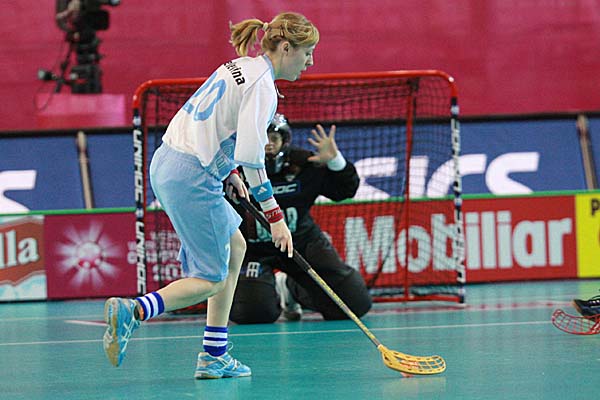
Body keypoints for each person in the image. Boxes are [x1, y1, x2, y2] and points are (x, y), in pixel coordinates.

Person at [102, 12, 320, 379]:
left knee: (235, 247)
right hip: (191, 176)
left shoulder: (242, 66)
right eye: (307, 52)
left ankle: (214, 354)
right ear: (286, 48)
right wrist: (275, 217)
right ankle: (134, 311)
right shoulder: (262, 87)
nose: (310, 61)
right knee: (210, 279)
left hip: (170, 162)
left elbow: (216, 126)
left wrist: (229, 172)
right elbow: (253, 158)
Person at [229, 113, 372, 324]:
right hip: (254, 251)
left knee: (354, 303)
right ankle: (271, 291)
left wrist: (336, 161)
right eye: (261, 137)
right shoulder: (234, 171)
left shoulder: (303, 164)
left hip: (302, 243)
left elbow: (345, 190)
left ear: (285, 141)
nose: (268, 144)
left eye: (273, 138)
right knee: (251, 313)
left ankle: (291, 289)